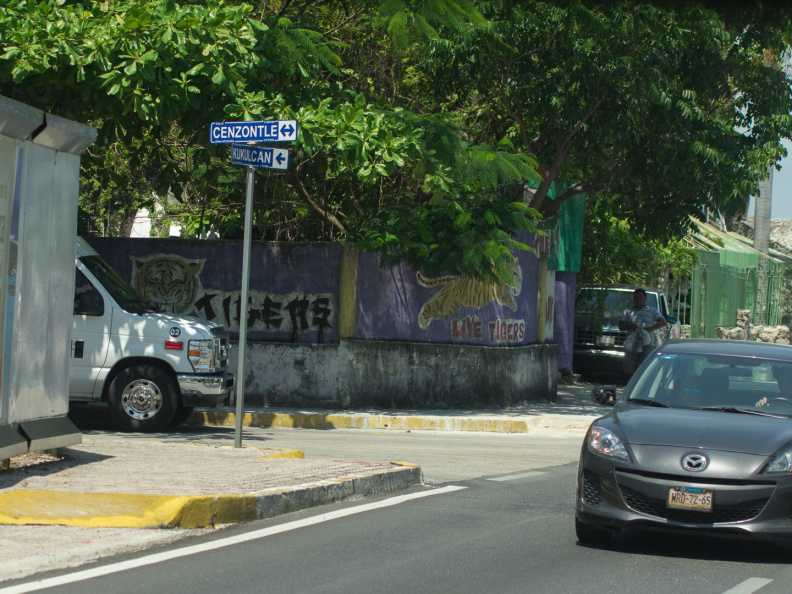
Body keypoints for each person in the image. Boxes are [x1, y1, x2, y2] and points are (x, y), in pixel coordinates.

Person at [618, 288, 667, 375]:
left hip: (647, 344)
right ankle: (630, 384)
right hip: (632, 345)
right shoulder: (628, 312)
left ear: (645, 298)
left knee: (645, 368)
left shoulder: (652, 311)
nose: (638, 299)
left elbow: (663, 322)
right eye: (636, 297)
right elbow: (620, 326)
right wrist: (630, 326)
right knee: (630, 369)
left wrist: (650, 329)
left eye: (640, 296)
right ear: (633, 299)